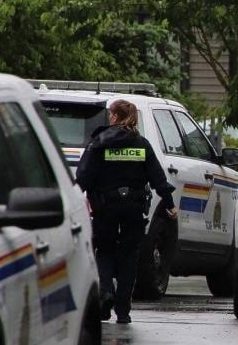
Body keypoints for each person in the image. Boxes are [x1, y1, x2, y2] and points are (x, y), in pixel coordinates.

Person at [76, 99, 177, 324]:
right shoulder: (141, 145)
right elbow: (158, 179)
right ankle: (123, 311)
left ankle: (106, 294)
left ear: (114, 117)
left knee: (104, 251)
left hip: (104, 208)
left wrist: (70, 204)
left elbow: (83, 178)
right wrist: (169, 204)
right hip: (134, 209)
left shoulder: (98, 143)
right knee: (129, 256)